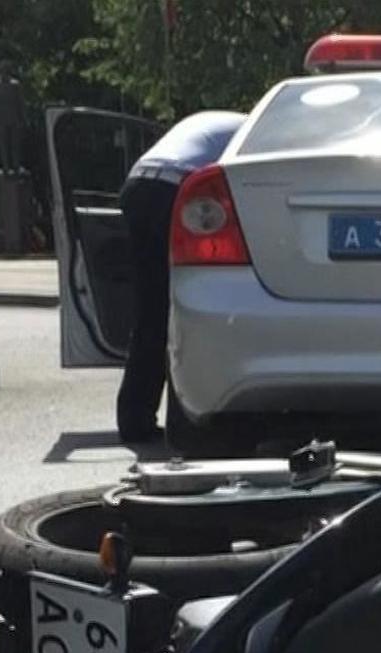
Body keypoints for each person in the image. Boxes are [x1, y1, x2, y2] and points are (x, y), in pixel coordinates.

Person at [116, 110, 246, 443]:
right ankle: (184, 421)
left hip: (138, 184)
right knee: (181, 312)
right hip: (175, 187)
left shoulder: (216, 121)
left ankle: (134, 417)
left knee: (150, 310)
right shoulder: (253, 132)